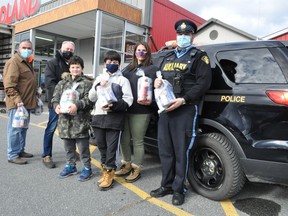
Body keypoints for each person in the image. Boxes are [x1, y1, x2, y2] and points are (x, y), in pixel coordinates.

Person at [150, 19, 212, 206]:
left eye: (187, 34)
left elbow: (203, 84)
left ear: (192, 36)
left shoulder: (199, 57)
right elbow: (160, 78)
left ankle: (179, 189)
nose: (183, 37)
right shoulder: (168, 57)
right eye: (180, 34)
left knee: (180, 151)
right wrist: (156, 83)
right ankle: (166, 185)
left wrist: (184, 99)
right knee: (166, 150)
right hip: (166, 109)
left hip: (185, 108)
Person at [88, 50, 133, 190]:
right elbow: (91, 98)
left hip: (115, 119)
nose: (112, 64)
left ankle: (110, 174)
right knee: (101, 147)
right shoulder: (99, 78)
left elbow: (128, 100)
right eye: (109, 62)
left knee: (111, 149)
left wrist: (114, 106)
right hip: (98, 117)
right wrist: (98, 85)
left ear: (119, 64)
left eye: (115, 62)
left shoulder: (123, 80)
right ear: (105, 63)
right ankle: (104, 171)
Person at [115, 42, 158, 182]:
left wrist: (151, 103)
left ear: (147, 52)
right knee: (124, 139)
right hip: (126, 108)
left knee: (138, 141)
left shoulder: (152, 69)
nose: (140, 52)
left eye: (143, 50)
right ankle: (126, 164)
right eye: (138, 50)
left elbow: (159, 91)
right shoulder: (128, 68)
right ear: (134, 52)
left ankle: (136, 168)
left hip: (142, 111)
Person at [51, 55, 93, 181]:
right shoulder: (62, 83)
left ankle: (87, 168)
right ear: (69, 68)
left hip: (80, 122)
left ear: (82, 68)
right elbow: (55, 97)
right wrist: (56, 106)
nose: (75, 69)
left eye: (78, 67)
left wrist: (77, 105)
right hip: (65, 122)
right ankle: (71, 166)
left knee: (83, 148)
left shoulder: (87, 84)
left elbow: (90, 100)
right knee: (68, 147)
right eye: (73, 67)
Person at [3, 39, 37, 165]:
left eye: (29, 48)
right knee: (15, 129)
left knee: (23, 129)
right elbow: (9, 85)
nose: (27, 50)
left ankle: (20, 150)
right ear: (18, 49)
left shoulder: (27, 62)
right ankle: (12, 154)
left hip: (26, 104)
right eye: (24, 47)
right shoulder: (14, 62)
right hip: (17, 104)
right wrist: (17, 101)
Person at [42, 41, 75, 168]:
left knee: (71, 128)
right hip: (56, 102)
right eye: (67, 48)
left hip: (71, 102)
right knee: (51, 128)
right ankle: (46, 155)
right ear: (61, 49)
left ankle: (72, 152)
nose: (69, 51)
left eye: (71, 49)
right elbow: (49, 83)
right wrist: (62, 97)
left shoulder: (72, 63)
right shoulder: (53, 63)